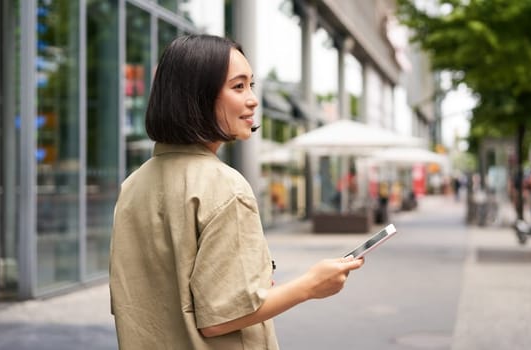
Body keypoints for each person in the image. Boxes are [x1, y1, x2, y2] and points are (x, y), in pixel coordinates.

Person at [109, 34, 364, 349]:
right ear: (198, 96)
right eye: (238, 86)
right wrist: (311, 285)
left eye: (251, 85)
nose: (253, 99)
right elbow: (222, 319)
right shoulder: (223, 186)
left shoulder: (134, 184)